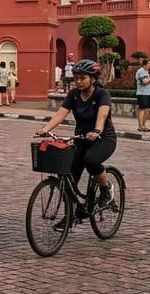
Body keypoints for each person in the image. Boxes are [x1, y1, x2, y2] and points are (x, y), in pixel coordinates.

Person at [37, 59, 115, 221]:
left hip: (103, 138)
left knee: (91, 160)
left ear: (93, 79)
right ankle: (70, 217)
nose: (78, 81)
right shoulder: (73, 95)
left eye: (82, 78)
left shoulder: (102, 94)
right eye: (76, 78)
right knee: (69, 175)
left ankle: (106, 188)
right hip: (80, 139)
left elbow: (102, 115)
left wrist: (97, 130)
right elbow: (60, 114)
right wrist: (45, 129)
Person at [135, 58, 150, 132]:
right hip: (142, 93)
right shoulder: (141, 71)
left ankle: (144, 125)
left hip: (148, 92)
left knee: (147, 109)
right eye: (149, 63)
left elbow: (148, 80)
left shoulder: (147, 71)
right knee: (142, 109)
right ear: (145, 64)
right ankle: (140, 126)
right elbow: (144, 82)